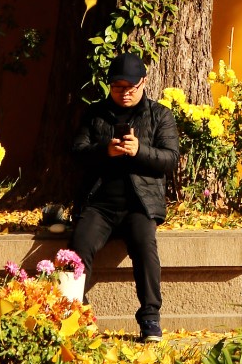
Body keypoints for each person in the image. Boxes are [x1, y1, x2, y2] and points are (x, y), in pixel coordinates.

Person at [70, 51, 179, 341]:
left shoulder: (160, 115)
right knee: (78, 249)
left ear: (143, 82)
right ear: (109, 85)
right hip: (99, 203)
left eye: (131, 87)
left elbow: (170, 159)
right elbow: (77, 153)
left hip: (139, 204)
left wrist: (138, 150)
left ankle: (150, 318)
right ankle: (76, 312)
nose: (125, 93)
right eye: (118, 88)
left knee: (145, 248)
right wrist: (104, 149)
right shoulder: (94, 114)